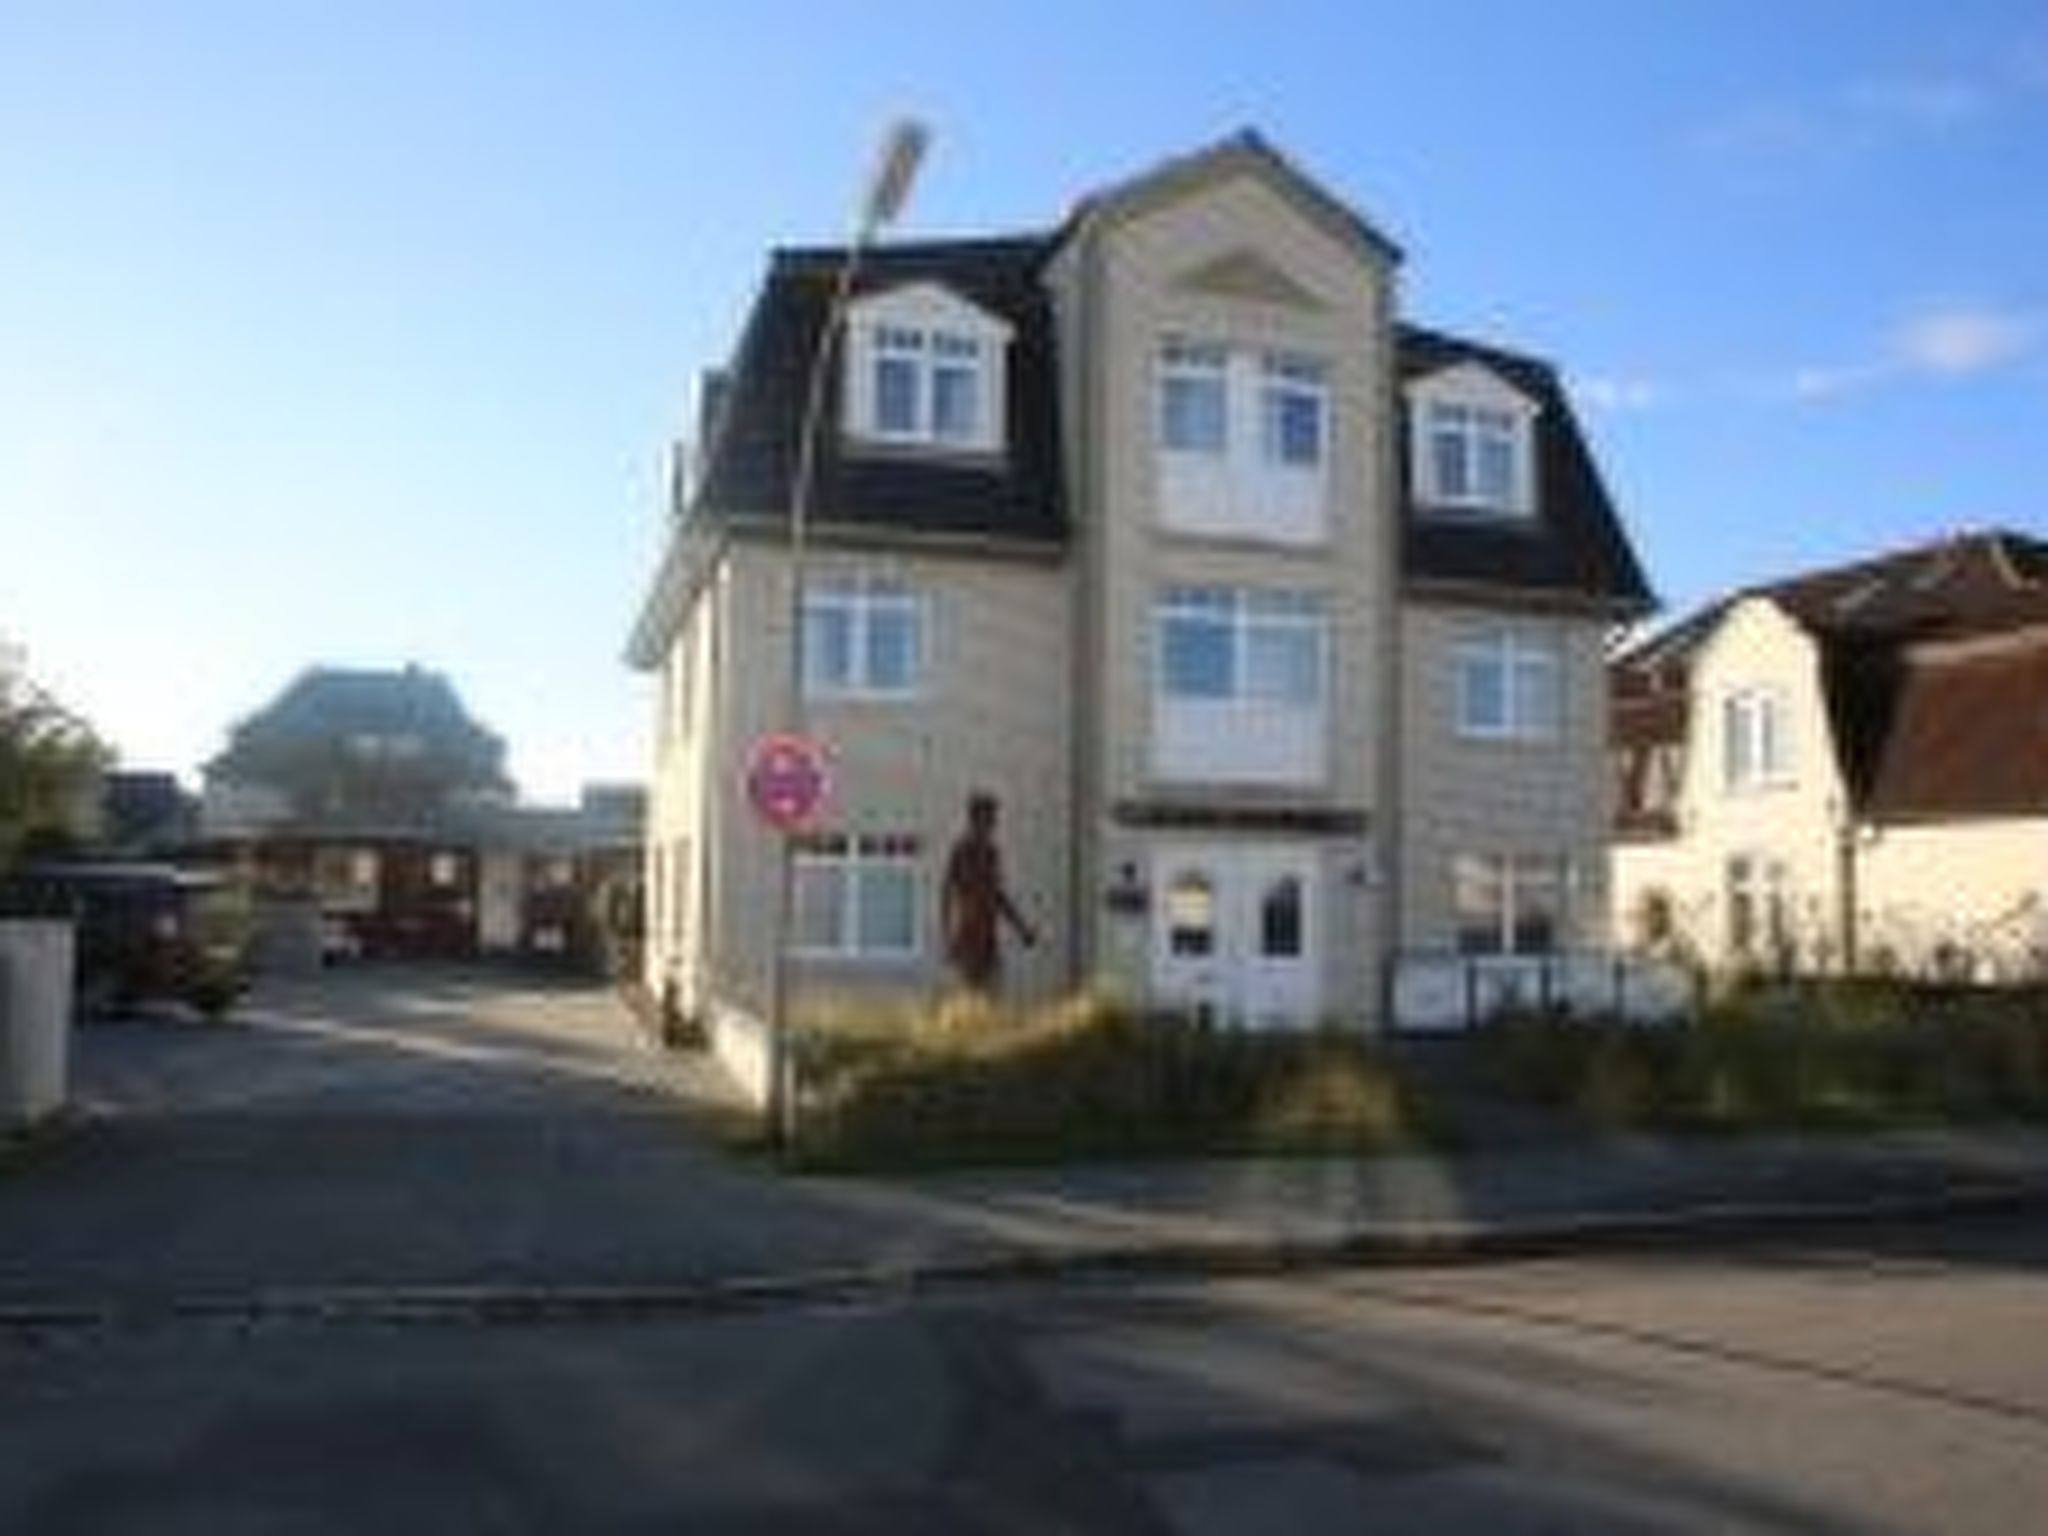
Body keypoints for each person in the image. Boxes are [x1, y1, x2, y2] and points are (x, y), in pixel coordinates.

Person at [941, 791, 1036, 991]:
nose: (994, 823)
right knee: (971, 996)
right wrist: (948, 937)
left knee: (993, 992)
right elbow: (948, 892)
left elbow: (998, 895)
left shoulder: (992, 852)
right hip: (969, 936)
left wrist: (1021, 928)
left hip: (988, 937)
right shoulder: (963, 850)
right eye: (990, 817)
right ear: (976, 818)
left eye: (994, 818)